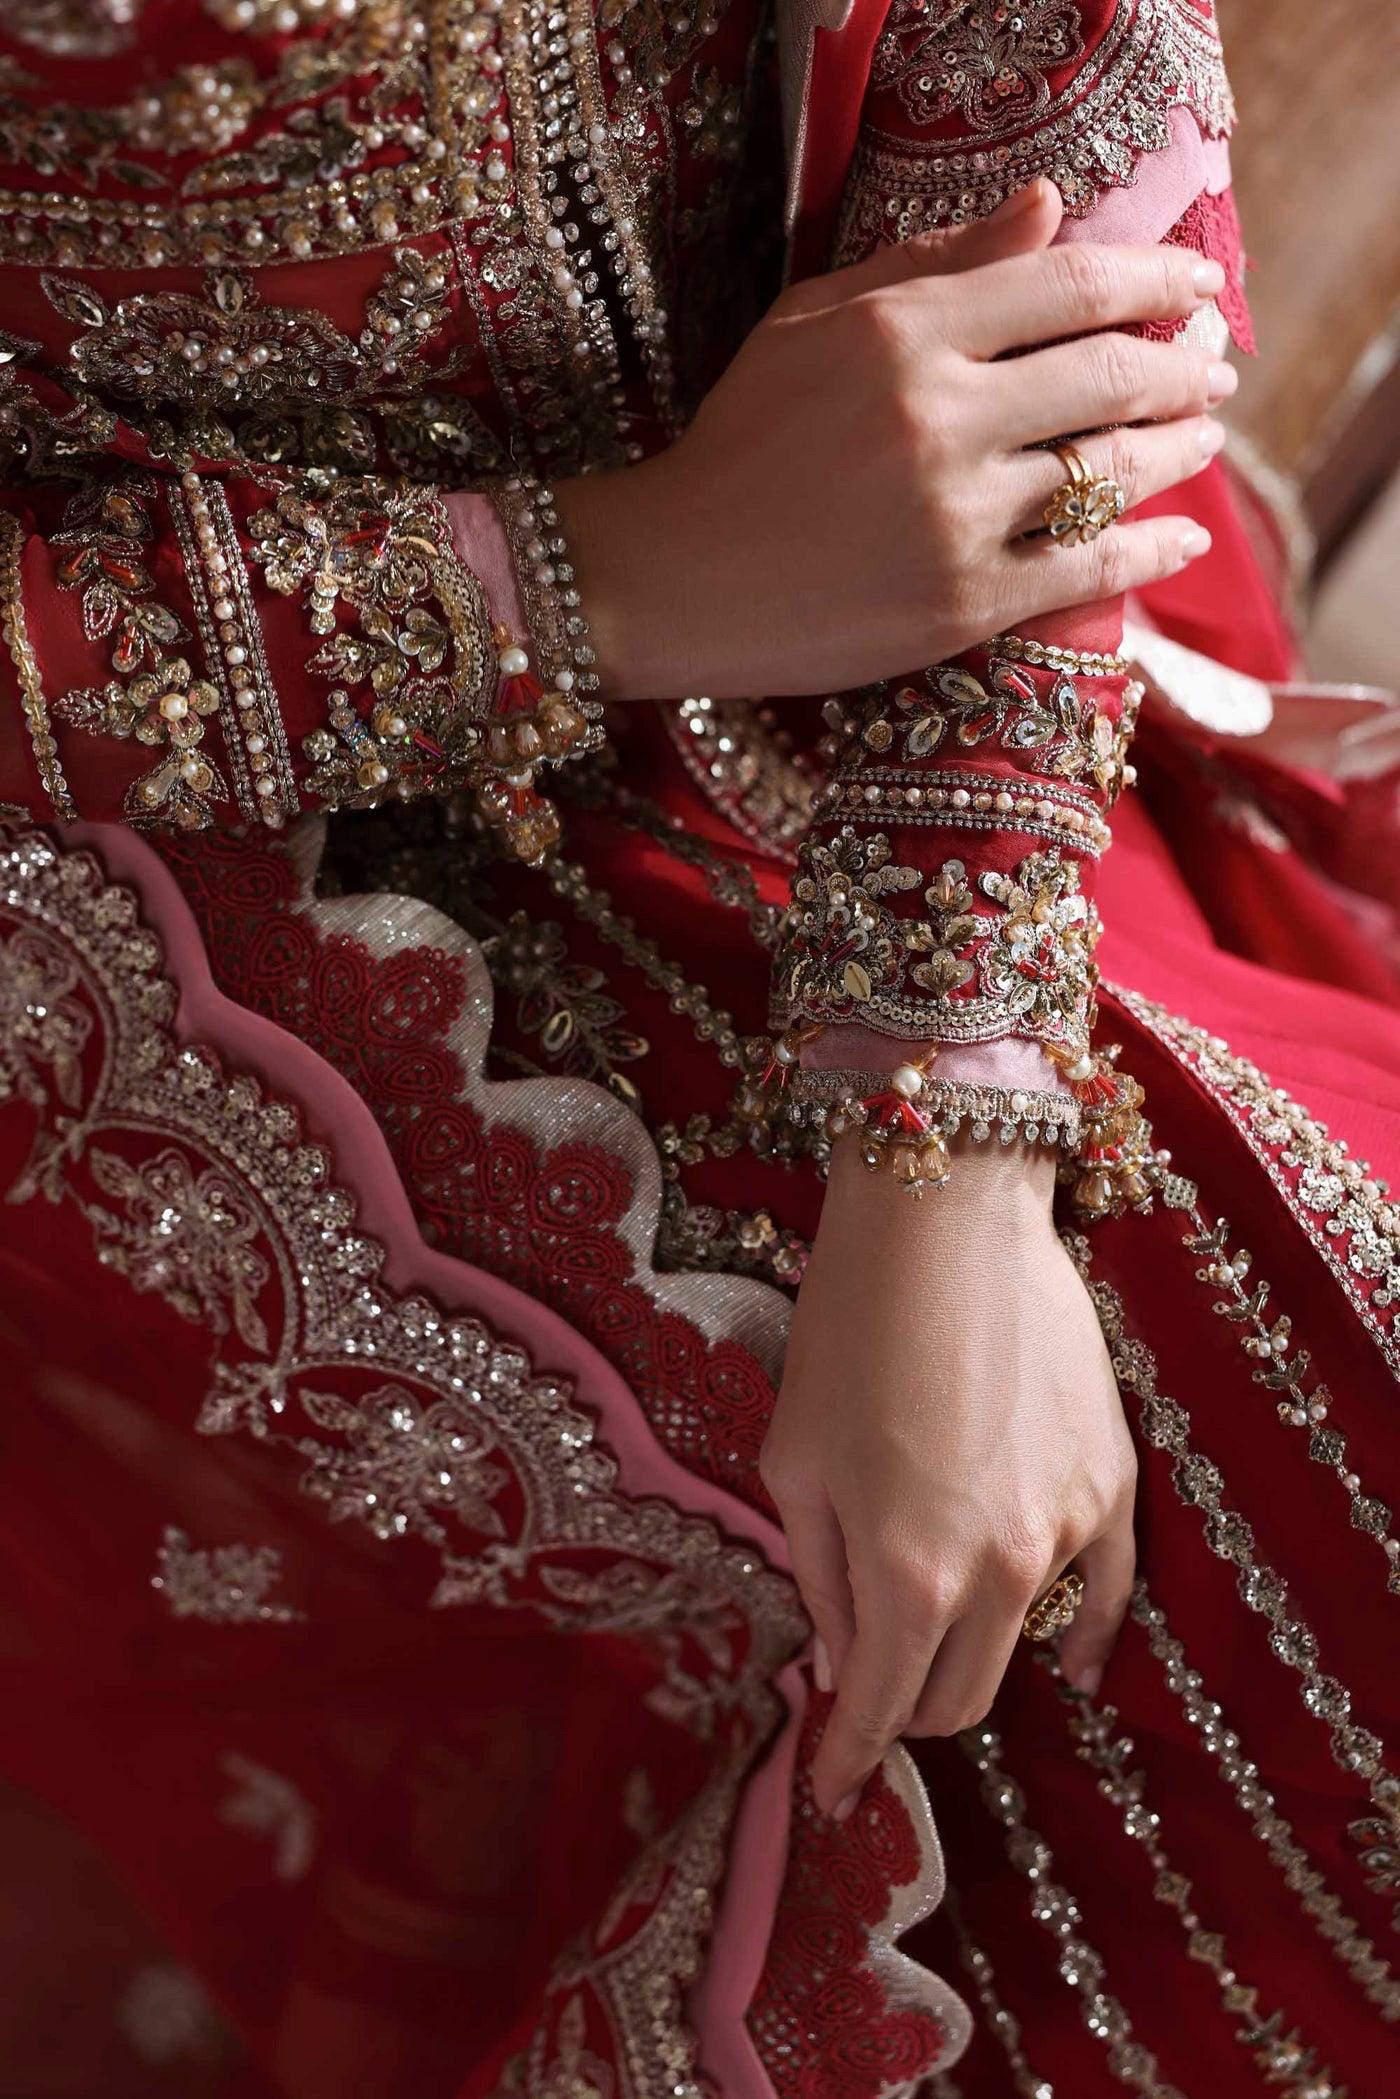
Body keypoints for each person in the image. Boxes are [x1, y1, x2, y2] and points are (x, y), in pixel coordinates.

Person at [0, 2, 1395, 2094]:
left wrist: (945, 1119)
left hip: (896, 552)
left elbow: (1046, 60)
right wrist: (588, 588)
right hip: (178, 852)